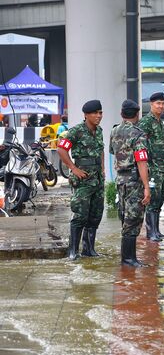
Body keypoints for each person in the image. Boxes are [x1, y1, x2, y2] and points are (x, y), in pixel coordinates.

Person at [57, 100, 105, 260]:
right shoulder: (76, 131)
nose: (98, 116)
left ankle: (89, 249)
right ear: (86, 115)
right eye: (95, 113)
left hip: (97, 180)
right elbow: (61, 149)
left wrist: (103, 169)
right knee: (80, 215)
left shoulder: (99, 131)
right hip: (83, 180)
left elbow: (101, 150)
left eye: (100, 112)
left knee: (95, 215)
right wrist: (73, 168)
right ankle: (72, 251)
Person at [109, 99, 150, 267]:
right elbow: (141, 161)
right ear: (137, 114)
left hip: (120, 179)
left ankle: (128, 258)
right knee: (133, 218)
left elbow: (113, 151)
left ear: (121, 114)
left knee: (125, 216)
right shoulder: (139, 134)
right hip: (134, 180)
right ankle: (128, 259)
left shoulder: (114, 131)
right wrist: (146, 186)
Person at [138, 92, 164, 241]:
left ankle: (156, 230)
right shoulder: (146, 122)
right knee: (152, 201)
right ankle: (151, 232)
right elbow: (141, 146)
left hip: (162, 167)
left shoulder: (159, 122)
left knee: (159, 199)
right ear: (151, 105)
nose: (161, 106)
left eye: (163, 103)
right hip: (152, 168)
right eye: (158, 103)